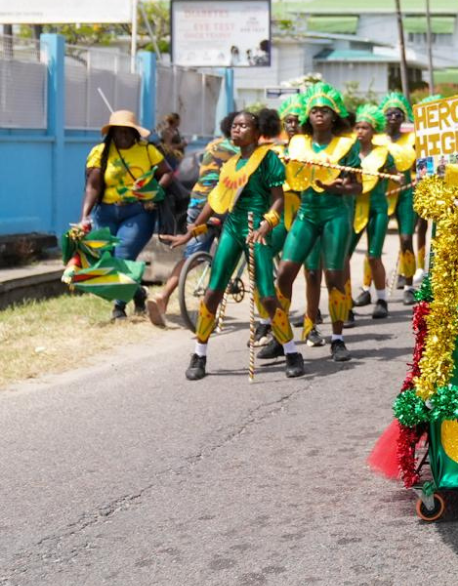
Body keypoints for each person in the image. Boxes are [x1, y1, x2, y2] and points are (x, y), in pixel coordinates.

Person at [165, 110, 302, 380]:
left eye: (244, 125)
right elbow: (215, 201)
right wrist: (192, 232)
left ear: (257, 131)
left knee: (267, 295)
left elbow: (278, 199)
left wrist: (267, 224)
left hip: (257, 229)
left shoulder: (268, 159)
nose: (237, 130)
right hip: (232, 228)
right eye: (234, 125)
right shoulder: (230, 165)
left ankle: (291, 352)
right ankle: (199, 354)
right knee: (213, 292)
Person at [270, 84, 361, 364]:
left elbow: (356, 186)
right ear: (308, 116)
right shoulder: (296, 143)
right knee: (284, 273)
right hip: (306, 213)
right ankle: (281, 337)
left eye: (325, 110)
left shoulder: (346, 145)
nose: (319, 114)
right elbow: (289, 179)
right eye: (314, 110)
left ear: (334, 116)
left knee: (333, 277)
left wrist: (336, 187)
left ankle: (338, 339)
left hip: (335, 215)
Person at [146, 111, 239, 328]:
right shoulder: (244, 151)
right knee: (228, 256)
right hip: (223, 205)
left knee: (192, 255)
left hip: (197, 202)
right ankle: (211, 309)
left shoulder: (213, 146)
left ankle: (163, 297)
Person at [80, 110, 175, 321]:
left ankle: (118, 308)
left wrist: (154, 193)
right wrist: (84, 217)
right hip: (105, 212)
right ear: (111, 133)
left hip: (138, 212)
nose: (123, 135)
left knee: (123, 255)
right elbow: (92, 187)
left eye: (127, 131)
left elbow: (167, 172)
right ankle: (138, 293)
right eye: (118, 131)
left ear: (135, 132)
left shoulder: (147, 150)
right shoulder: (100, 152)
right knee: (105, 259)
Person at [347, 104, 395, 320]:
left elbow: (396, 177)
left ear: (373, 130)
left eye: (365, 127)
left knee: (374, 256)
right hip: (353, 208)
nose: (360, 131)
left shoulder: (383, 153)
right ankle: (344, 302)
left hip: (377, 208)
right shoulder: (348, 153)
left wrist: (393, 179)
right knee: (343, 257)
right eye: (357, 127)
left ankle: (381, 300)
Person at [379, 93, 422, 305]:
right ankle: (369, 288)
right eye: (389, 113)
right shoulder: (377, 141)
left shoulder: (413, 139)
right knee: (375, 242)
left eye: (398, 114)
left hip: (406, 192)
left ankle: (408, 286)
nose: (393, 117)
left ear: (403, 117)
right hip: (382, 194)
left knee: (406, 238)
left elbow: (422, 163)